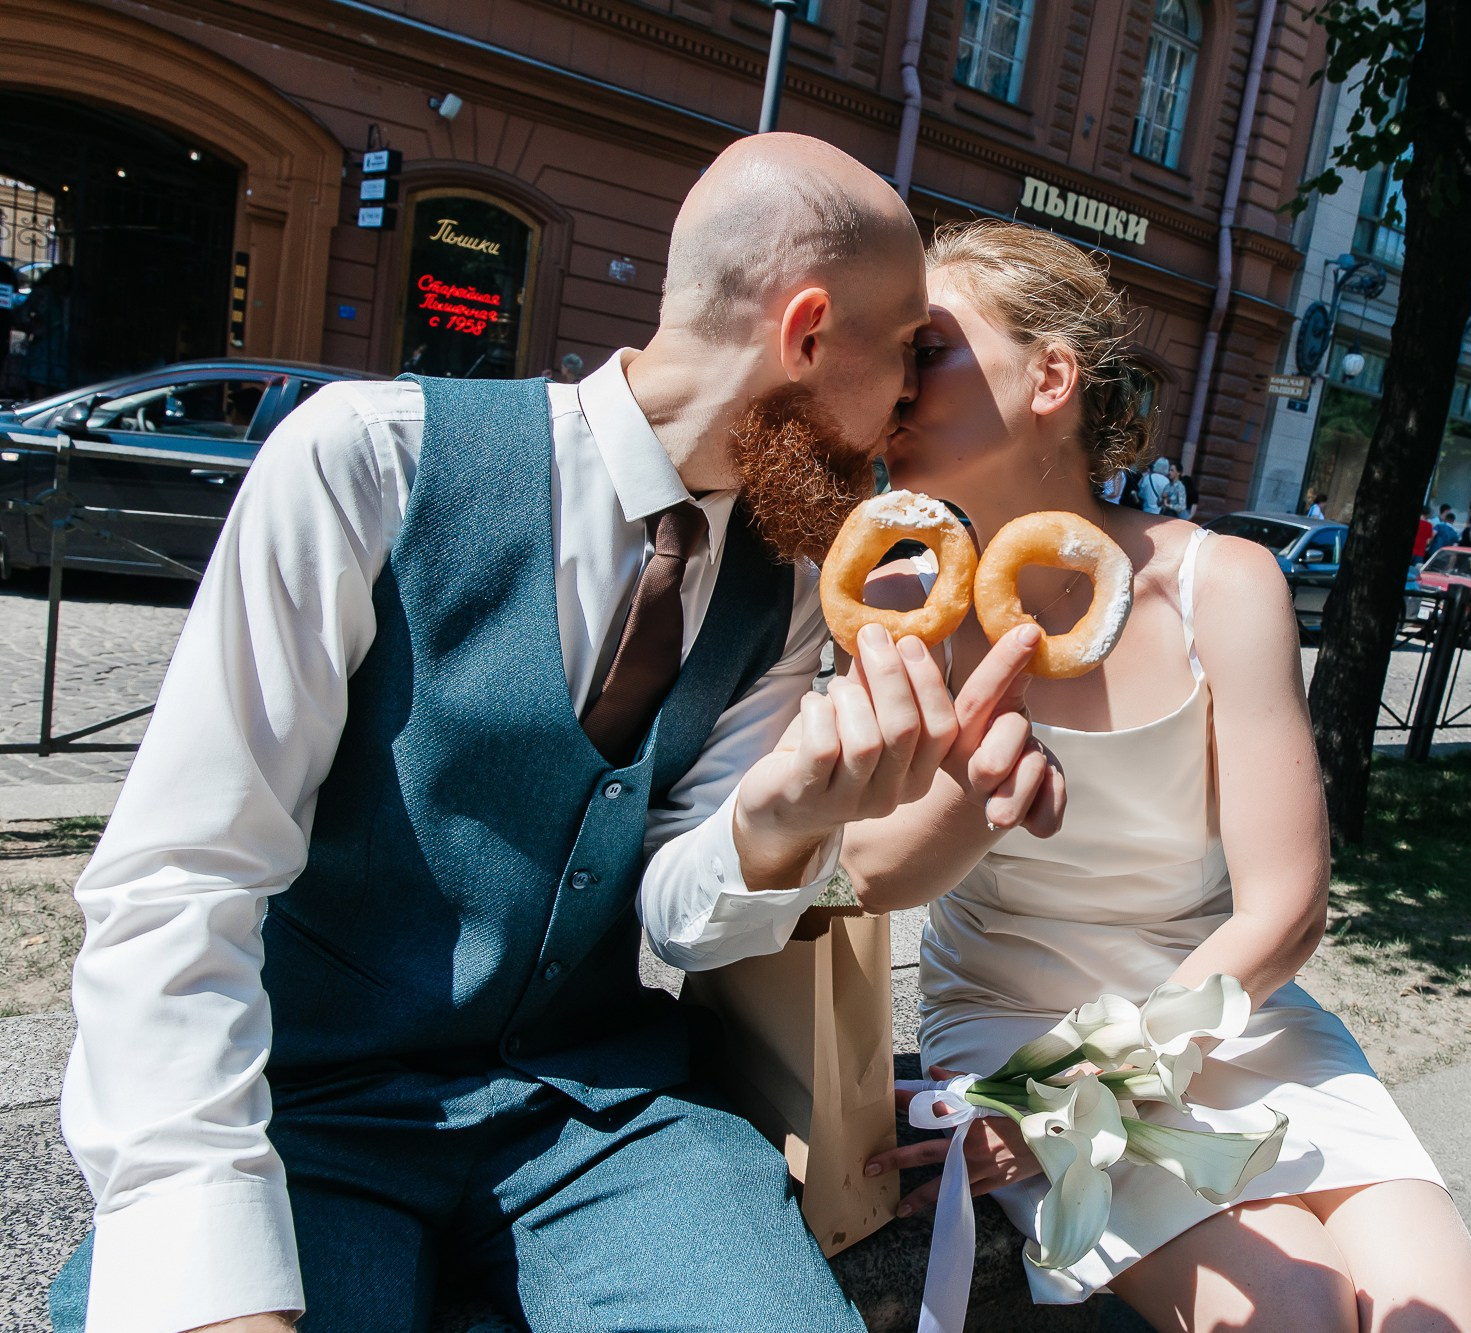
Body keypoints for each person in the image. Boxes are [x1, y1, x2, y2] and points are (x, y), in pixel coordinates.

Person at [50, 135, 1058, 1333]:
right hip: (308, 1104)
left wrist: (775, 820)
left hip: (594, 1115)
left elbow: (676, 918)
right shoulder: (369, 459)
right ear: (804, 333)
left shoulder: (785, 587)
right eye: (901, 352)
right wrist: (201, 1240)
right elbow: (181, 876)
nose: (904, 402)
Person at [847, 221, 1471, 1333]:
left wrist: (1091, 1087)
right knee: (1294, 1307)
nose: (893, 385)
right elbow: (869, 875)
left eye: (929, 350)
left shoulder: (1220, 584)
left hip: (1231, 1013)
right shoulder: (902, 604)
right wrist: (1039, 1092)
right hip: (1017, 1024)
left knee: (1441, 1317)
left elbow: (1286, 910)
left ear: (1050, 379)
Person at [1412, 505, 1435, 573]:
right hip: (1420, 553)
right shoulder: (1429, 525)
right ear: (1427, 514)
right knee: (1416, 572)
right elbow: (1428, 541)